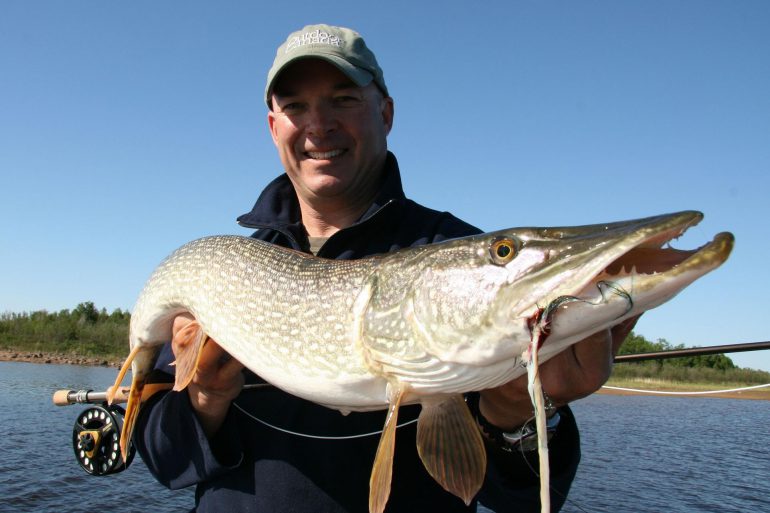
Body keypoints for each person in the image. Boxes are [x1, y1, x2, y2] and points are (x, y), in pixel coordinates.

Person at [134, 24, 637, 513]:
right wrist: (204, 399)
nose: (319, 124)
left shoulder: (456, 252)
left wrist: (523, 418)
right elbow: (165, 463)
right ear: (273, 127)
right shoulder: (228, 271)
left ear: (386, 112)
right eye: (295, 106)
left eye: (344, 98)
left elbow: (519, 498)